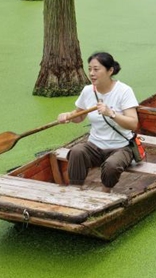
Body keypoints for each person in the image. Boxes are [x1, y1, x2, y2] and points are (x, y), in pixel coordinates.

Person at [58, 52, 140, 190]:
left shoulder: (124, 91)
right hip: (95, 145)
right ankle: (75, 189)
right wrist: (68, 116)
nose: (91, 73)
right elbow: (79, 116)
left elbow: (133, 123)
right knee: (77, 151)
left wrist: (111, 113)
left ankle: (105, 191)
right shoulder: (88, 91)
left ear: (110, 71)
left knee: (112, 165)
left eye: (96, 69)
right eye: (89, 69)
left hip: (120, 146)